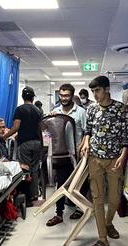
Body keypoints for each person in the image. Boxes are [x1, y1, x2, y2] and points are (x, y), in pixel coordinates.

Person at [79, 75, 128, 246]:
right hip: (95, 159)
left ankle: (108, 223)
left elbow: (126, 136)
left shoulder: (120, 108)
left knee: (115, 199)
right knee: (98, 199)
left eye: (97, 90)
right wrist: (86, 141)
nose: (94, 94)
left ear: (106, 89)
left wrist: (123, 156)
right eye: (92, 91)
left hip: (115, 159)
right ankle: (102, 239)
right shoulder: (92, 109)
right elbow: (89, 130)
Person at [46, 83, 88, 226]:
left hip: (77, 154)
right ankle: (58, 214)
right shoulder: (55, 111)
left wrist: (83, 147)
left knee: (80, 183)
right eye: (62, 95)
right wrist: (50, 120)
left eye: (67, 95)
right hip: (61, 153)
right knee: (60, 183)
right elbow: (47, 130)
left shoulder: (81, 112)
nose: (64, 98)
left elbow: (87, 132)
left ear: (72, 96)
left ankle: (79, 208)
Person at [5, 86, 43, 205]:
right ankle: (35, 194)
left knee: (25, 169)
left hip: (25, 143)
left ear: (22, 97)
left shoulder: (19, 109)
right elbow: (41, 127)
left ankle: (26, 197)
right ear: (32, 97)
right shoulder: (38, 110)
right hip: (37, 143)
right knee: (35, 169)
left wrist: (5, 137)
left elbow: (16, 127)